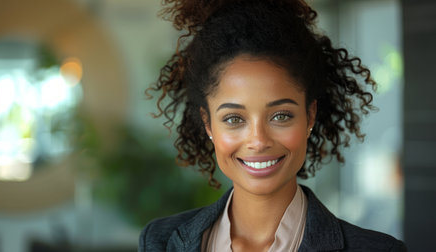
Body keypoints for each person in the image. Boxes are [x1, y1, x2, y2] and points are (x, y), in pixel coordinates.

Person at [139, 0, 407, 251]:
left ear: (310, 115)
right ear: (208, 124)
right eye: (234, 119)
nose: (258, 140)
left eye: (281, 115)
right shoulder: (159, 242)